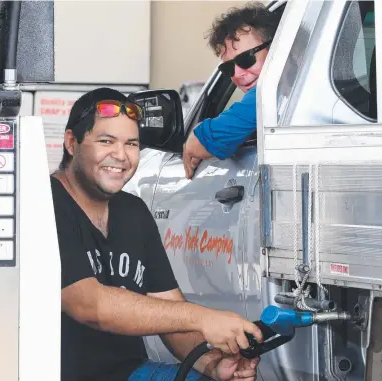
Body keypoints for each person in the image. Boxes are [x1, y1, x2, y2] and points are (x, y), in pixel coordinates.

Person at [50, 87, 263, 381]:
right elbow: (89, 305)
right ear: (72, 143)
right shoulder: (46, 205)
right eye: (105, 141)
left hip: (128, 373)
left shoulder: (133, 211)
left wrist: (212, 363)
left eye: (131, 144)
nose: (121, 156)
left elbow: (170, 315)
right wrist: (204, 318)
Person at [182, 2, 280, 179]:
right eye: (228, 68)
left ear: (278, 49)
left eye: (246, 59)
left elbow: (199, 145)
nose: (237, 74)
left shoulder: (274, 94)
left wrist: (199, 132)